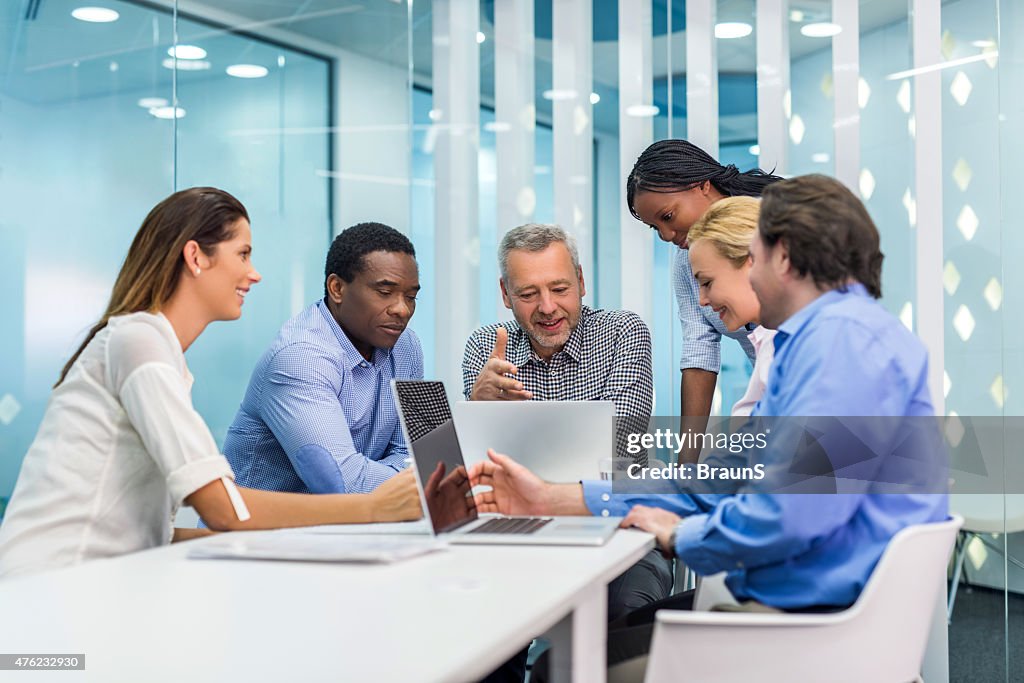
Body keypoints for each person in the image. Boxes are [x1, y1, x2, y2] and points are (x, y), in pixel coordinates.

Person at [472, 174, 948, 681]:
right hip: (807, 605)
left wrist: (682, 535)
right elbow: (722, 477)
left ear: (780, 257)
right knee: (578, 652)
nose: (701, 302)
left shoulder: (840, 345)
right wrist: (553, 498)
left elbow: (792, 515)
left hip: (815, 627)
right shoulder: (816, 342)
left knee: (561, 668)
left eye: (753, 256)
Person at [0, 188, 421, 579]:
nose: (253, 274)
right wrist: (373, 506)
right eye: (242, 254)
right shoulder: (138, 342)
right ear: (196, 257)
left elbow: (151, 528)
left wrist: (272, 547)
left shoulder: (159, 353)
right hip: (48, 586)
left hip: (99, 579)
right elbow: (223, 507)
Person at [462, 223, 665, 622]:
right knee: (480, 616)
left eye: (559, 289)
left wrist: (534, 473)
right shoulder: (485, 348)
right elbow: (483, 470)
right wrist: (477, 406)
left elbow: (618, 453)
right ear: (506, 295)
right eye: (528, 294)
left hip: (620, 523)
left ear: (581, 282)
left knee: (625, 615)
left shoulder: (623, 333)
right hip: (521, 532)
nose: (548, 307)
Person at [223, 223, 423, 495]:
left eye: (411, 297)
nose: (402, 309)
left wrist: (418, 477)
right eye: (385, 293)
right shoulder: (300, 357)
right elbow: (342, 483)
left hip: (362, 526)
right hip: (265, 534)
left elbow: (415, 451)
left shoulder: (406, 346)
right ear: (337, 288)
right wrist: (425, 483)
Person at [626, 140, 783, 458]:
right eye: (654, 228)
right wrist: (687, 463)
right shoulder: (687, 259)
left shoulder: (780, 221)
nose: (666, 236)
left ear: (702, 186)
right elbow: (699, 350)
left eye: (668, 216)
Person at [686, 196, 774, 417]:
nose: (702, 300)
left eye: (707, 283)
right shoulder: (769, 340)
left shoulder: (817, 339)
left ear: (752, 261)